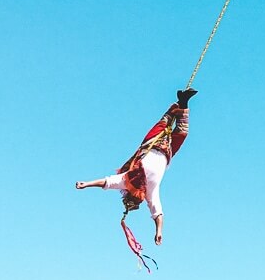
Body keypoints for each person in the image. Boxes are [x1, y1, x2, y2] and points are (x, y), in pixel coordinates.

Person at [75, 88, 197, 245]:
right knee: (182, 132)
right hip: (168, 151)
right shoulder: (150, 194)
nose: (138, 196)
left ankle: (180, 101)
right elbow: (157, 213)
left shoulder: (126, 181)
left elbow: (106, 182)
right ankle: (184, 101)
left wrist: (86, 184)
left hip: (150, 144)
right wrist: (159, 231)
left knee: (165, 120)